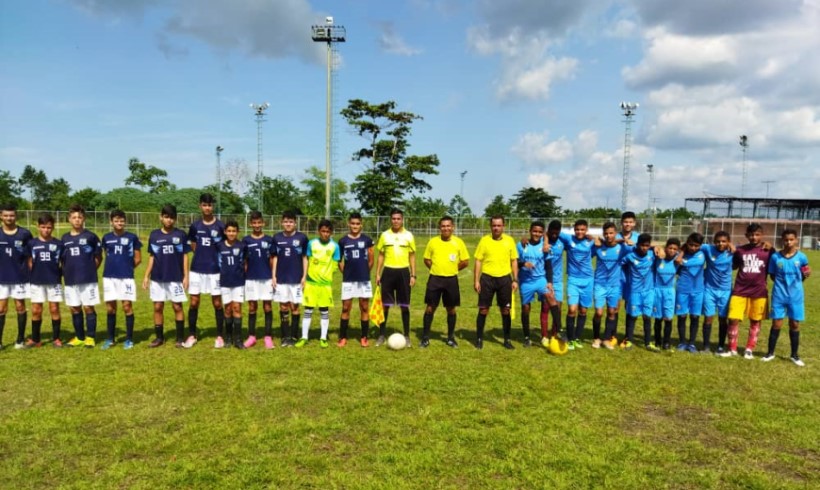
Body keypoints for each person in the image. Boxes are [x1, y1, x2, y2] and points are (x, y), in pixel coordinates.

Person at [142, 204, 191, 348]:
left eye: (172, 217)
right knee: (158, 307)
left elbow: (185, 256)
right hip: (158, 278)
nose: (169, 220)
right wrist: (146, 276)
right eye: (166, 217)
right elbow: (152, 257)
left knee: (177, 306)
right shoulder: (154, 235)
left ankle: (180, 338)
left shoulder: (180, 234)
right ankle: (159, 338)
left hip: (175, 277)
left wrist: (186, 276)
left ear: (175, 219)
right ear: (161, 217)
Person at [722, 223, 773, 358]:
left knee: (755, 320)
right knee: (733, 318)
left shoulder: (769, 251)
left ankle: (749, 349)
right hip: (740, 290)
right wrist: (730, 248)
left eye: (757, 234)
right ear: (746, 235)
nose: (754, 237)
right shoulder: (740, 251)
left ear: (762, 235)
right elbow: (733, 266)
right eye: (751, 235)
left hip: (759, 292)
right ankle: (732, 349)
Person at [762, 229, 810, 367]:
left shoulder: (802, 257)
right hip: (779, 295)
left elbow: (805, 273)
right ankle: (770, 353)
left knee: (794, 324)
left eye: (791, 239)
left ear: (796, 240)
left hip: (796, 296)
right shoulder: (775, 257)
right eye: (786, 240)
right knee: (776, 323)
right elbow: (772, 275)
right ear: (782, 240)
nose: (788, 242)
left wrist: (805, 275)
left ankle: (794, 355)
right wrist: (781, 285)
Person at [423, 216, 470, 348]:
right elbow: (426, 259)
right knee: (430, 308)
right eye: (443, 226)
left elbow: (465, 261)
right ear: (440, 228)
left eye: (448, 226)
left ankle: (450, 338)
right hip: (435, 279)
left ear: (453, 227)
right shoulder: (433, 242)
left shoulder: (458, 242)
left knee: (451, 309)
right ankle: (425, 338)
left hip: (451, 280)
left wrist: (453, 269)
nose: (446, 228)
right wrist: (435, 268)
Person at [185, 193, 225, 348]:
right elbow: (193, 245)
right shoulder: (195, 226)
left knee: (217, 303)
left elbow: (225, 247)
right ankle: (192, 335)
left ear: (213, 206)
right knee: (194, 302)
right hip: (197, 269)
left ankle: (220, 336)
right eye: (204, 205)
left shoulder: (220, 226)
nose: (207, 208)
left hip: (215, 270)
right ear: (200, 206)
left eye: (209, 205)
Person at [474, 215, 519, 350]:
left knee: (505, 310)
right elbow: (478, 260)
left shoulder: (509, 241)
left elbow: (514, 261)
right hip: (487, 279)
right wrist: (476, 280)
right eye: (494, 225)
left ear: (503, 226)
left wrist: (515, 279)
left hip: (504, 279)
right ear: (490, 226)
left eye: (499, 225)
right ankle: (479, 338)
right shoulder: (484, 241)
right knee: (483, 309)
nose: (496, 228)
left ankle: (507, 339)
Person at [61, 204, 102, 348]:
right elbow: (63, 259)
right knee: (74, 308)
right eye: (74, 217)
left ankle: (90, 337)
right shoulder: (64, 238)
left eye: (79, 217)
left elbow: (98, 257)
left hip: (87, 278)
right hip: (70, 279)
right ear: (69, 219)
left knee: (88, 307)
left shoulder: (91, 236)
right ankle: (79, 337)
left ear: (84, 219)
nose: (77, 220)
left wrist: (89, 270)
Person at [374, 208, 417, 346]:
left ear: (402, 220)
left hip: (403, 272)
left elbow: (412, 256)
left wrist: (413, 274)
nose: (396, 221)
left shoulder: (409, 235)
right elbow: (381, 255)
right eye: (393, 218)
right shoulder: (385, 235)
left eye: (398, 218)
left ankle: (407, 335)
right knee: (385, 305)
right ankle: (381, 335)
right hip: (388, 272)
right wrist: (378, 273)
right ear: (390, 220)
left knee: (404, 305)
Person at [100, 210, 142, 349]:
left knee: (127, 306)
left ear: (125, 221)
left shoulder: (132, 237)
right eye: (116, 221)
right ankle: (110, 339)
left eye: (122, 220)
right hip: (109, 277)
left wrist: (127, 268)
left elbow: (138, 258)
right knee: (110, 308)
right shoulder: (106, 238)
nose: (119, 223)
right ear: (111, 222)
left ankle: (129, 339)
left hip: (126, 278)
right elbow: (107, 254)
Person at [296, 219, 340, 348]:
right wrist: (304, 276)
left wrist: (328, 275)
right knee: (308, 310)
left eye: (328, 231)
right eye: (323, 231)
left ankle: (323, 338)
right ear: (318, 231)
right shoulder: (311, 244)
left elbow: (335, 263)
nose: (325, 234)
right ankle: (304, 337)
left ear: (331, 232)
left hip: (325, 284)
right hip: (311, 283)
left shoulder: (335, 246)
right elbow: (306, 259)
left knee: (324, 311)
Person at [553, 219, 594, 349]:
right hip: (573, 280)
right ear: (574, 230)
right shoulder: (568, 238)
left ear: (586, 230)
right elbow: (551, 230)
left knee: (583, 310)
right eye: (577, 229)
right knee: (572, 310)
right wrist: (546, 241)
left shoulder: (591, 241)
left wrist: (596, 238)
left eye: (582, 229)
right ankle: (570, 338)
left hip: (588, 280)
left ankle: (577, 337)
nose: (579, 232)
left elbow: (607, 242)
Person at [591, 222, 630, 349]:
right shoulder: (598, 247)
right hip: (600, 285)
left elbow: (640, 248)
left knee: (612, 312)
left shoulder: (622, 248)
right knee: (598, 312)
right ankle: (596, 338)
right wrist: (595, 238)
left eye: (611, 233)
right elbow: (586, 244)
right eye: (606, 233)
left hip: (614, 285)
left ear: (616, 233)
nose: (608, 235)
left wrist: (657, 248)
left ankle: (607, 339)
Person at [27, 213, 64, 348]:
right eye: (43, 227)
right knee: (36, 310)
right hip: (36, 281)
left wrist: (58, 274)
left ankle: (56, 339)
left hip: (54, 281)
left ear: (53, 227)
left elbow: (63, 262)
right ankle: (35, 339)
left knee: (54, 309)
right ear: (38, 227)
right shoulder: (32, 243)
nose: (46, 230)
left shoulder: (59, 244)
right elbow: (29, 261)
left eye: (49, 227)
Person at [516, 221, 555, 348]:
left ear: (542, 233)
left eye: (539, 232)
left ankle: (553, 332)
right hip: (526, 281)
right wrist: (523, 264)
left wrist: (549, 282)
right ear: (530, 231)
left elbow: (548, 266)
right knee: (526, 308)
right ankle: (527, 337)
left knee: (550, 300)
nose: (536, 234)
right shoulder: (521, 245)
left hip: (540, 280)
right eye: (534, 231)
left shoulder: (545, 247)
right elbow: (514, 262)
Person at [272, 211, 308, 347]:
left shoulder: (302, 238)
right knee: (283, 306)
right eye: (286, 221)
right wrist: (273, 275)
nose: (288, 224)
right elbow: (275, 257)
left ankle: (294, 335)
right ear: (282, 222)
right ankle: (285, 336)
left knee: (295, 306)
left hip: (296, 278)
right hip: (281, 278)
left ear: (295, 223)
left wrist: (304, 276)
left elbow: (305, 258)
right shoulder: (276, 238)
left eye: (291, 222)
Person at [337, 212, 374, 347]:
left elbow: (371, 260)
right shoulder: (342, 241)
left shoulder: (367, 240)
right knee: (345, 308)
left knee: (364, 307)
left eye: (357, 224)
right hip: (348, 280)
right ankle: (342, 337)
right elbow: (339, 261)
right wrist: (346, 272)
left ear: (361, 225)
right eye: (353, 223)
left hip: (364, 279)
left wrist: (364, 272)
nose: (355, 226)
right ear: (349, 224)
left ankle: (364, 337)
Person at [0, 203, 32, 350]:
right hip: (2, 278)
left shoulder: (25, 234)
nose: (9, 218)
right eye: (6, 215)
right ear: (1, 216)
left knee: (20, 307)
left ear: (16, 216)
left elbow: (30, 256)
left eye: (11, 215)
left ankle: (20, 340)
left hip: (20, 277)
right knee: (1, 309)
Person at [241, 211, 275, 349]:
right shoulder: (246, 240)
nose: (256, 225)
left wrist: (273, 275)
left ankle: (268, 336)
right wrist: (244, 276)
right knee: (252, 307)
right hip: (251, 278)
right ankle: (251, 336)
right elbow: (244, 261)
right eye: (254, 223)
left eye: (259, 222)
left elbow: (272, 259)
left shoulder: (269, 240)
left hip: (266, 278)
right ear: (250, 224)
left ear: (263, 223)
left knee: (267, 306)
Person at [700, 231, 735, 354]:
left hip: (726, 291)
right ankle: (706, 346)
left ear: (728, 242)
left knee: (722, 319)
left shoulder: (733, 251)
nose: (720, 244)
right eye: (718, 241)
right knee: (708, 318)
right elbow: (690, 244)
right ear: (714, 242)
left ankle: (720, 346)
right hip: (709, 289)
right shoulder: (708, 248)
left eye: (724, 241)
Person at [620, 233, 656, 350]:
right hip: (634, 291)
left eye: (647, 245)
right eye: (642, 245)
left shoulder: (652, 255)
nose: (644, 248)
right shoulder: (630, 256)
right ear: (637, 244)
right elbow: (620, 264)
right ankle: (629, 341)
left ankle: (648, 342)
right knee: (632, 316)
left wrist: (658, 248)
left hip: (648, 292)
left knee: (647, 317)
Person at [216, 220, 247, 349]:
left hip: (238, 281)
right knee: (228, 308)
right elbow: (217, 263)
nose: (231, 233)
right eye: (229, 231)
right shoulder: (219, 246)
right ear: (225, 232)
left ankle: (238, 339)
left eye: (234, 231)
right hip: (224, 282)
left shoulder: (242, 246)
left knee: (237, 308)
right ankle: (228, 337)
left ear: (237, 232)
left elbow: (245, 263)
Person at [674, 232, 706, 353]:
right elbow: (676, 265)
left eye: (696, 245)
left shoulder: (702, 254)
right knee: (682, 316)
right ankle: (682, 342)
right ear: (687, 243)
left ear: (700, 246)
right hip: (682, 289)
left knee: (694, 316)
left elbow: (680, 262)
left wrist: (681, 256)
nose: (693, 248)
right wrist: (682, 252)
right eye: (691, 245)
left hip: (698, 291)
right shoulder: (680, 255)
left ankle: (692, 343)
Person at [652, 238, 680, 350]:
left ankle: (666, 342)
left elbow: (686, 249)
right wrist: (657, 247)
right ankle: (657, 341)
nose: (672, 250)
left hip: (669, 291)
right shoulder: (658, 257)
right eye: (670, 248)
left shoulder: (677, 259)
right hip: (657, 291)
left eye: (675, 249)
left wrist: (681, 254)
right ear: (666, 247)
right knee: (658, 318)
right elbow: (649, 245)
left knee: (668, 318)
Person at [543, 220, 565, 344]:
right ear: (549, 231)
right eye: (552, 232)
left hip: (558, 280)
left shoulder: (563, 241)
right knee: (546, 307)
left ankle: (554, 334)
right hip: (544, 279)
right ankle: (544, 335)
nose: (554, 234)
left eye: (557, 232)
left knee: (558, 307)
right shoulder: (543, 241)